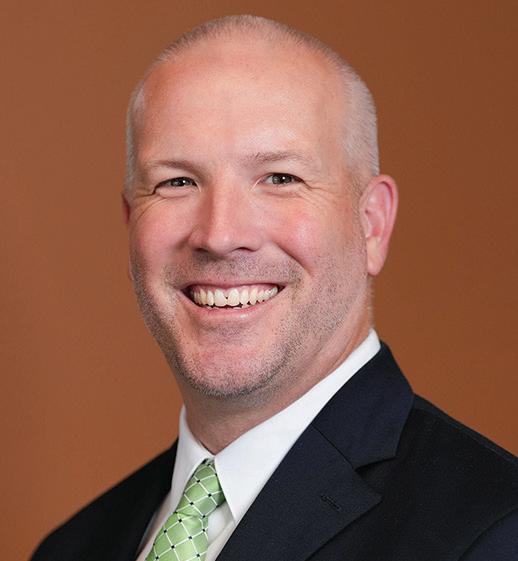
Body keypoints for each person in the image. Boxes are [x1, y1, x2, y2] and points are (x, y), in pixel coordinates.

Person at [31, 14, 518, 561]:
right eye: (177, 182)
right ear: (130, 223)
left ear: (372, 224)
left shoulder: (496, 534)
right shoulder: (72, 548)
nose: (220, 235)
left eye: (280, 178)